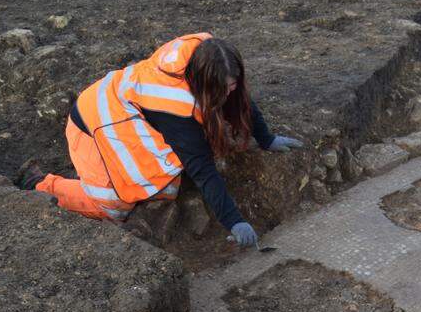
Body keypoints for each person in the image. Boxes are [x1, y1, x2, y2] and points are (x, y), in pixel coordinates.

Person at [15, 32, 302, 248]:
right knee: (112, 205)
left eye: (232, 84)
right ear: (205, 83)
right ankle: (41, 183)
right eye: (223, 89)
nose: (230, 92)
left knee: (166, 183)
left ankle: (97, 175)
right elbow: (202, 169)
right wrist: (234, 220)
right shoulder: (174, 106)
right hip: (94, 125)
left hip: (125, 115)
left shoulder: (210, 57)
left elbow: (238, 100)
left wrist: (266, 138)